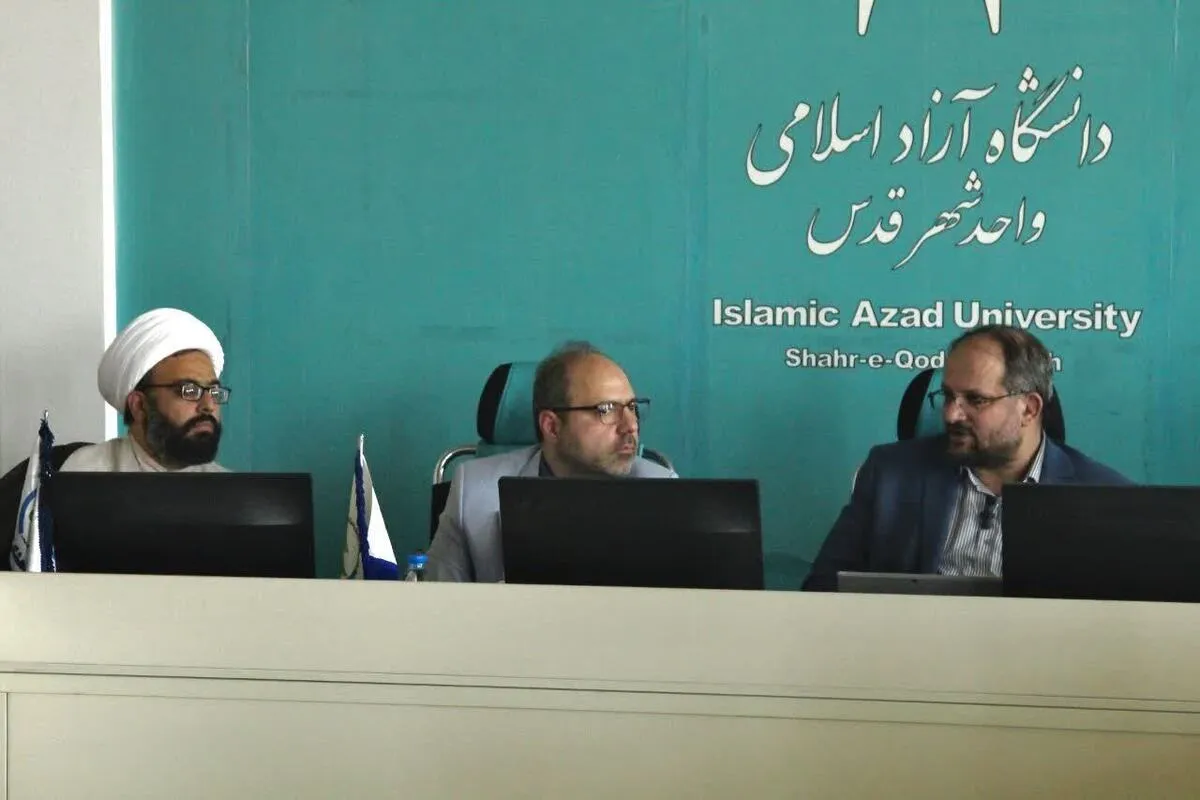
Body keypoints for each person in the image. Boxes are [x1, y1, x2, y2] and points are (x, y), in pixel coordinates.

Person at [803, 324, 1131, 590]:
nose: (951, 414)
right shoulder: (890, 474)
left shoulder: (1101, 497)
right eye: (948, 396)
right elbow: (823, 588)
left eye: (976, 400)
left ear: (1029, 409)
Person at [426, 341, 677, 582]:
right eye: (607, 409)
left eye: (632, 407)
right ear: (552, 426)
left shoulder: (664, 491)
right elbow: (439, 600)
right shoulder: (474, 491)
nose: (631, 426)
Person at [61, 307, 230, 473]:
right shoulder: (86, 473)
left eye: (214, 392)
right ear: (139, 406)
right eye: (190, 391)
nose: (209, 405)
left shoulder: (227, 486)